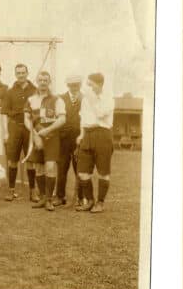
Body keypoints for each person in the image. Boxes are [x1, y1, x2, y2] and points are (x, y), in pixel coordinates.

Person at [25, 71, 67, 211]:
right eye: (40, 80)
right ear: (37, 81)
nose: (43, 82)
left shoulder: (57, 100)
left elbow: (62, 119)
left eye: (45, 80)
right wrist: (35, 135)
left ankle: (49, 199)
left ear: (49, 82)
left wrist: (47, 131)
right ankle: (42, 197)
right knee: (39, 168)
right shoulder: (31, 99)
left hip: (52, 136)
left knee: (50, 166)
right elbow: (27, 119)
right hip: (37, 134)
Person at [76, 72, 115, 214]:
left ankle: (100, 203)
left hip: (103, 134)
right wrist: (81, 134)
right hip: (88, 135)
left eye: (90, 84)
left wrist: (92, 99)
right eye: (87, 84)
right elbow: (82, 118)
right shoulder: (86, 99)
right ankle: (90, 200)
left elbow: (100, 113)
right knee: (82, 172)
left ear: (99, 84)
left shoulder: (109, 98)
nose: (88, 87)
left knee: (103, 172)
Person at [4, 63, 38, 200]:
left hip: (30, 128)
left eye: (23, 72)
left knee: (31, 159)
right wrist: (20, 112)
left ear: (27, 73)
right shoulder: (10, 91)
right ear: (15, 74)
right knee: (12, 160)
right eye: (18, 73)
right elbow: (6, 111)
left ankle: (32, 191)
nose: (21, 75)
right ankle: (11, 190)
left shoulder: (35, 91)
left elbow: (38, 109)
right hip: (15, 127)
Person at [55, 75, 83, 206]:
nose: (74, 87)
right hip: (64, 139)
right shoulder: (61, 98)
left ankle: (80, 197)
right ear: (67, 85)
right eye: (71, 85)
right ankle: (60, 197)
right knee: (62, 168)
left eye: (76, 84)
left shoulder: (85, 99)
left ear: (80, 85)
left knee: (80, 168)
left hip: (79, 139)